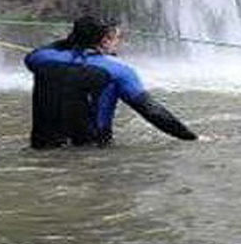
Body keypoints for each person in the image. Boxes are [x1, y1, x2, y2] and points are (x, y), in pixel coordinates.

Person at [24, 16, 198, 149]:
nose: (119, 43)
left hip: (42, 147)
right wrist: (191, 137)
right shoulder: (118, 71)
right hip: (92, 151)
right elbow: (152, 112)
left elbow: (50, 50)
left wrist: (76, 40)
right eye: (116, 38)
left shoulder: (40, 59)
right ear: (104, 41)